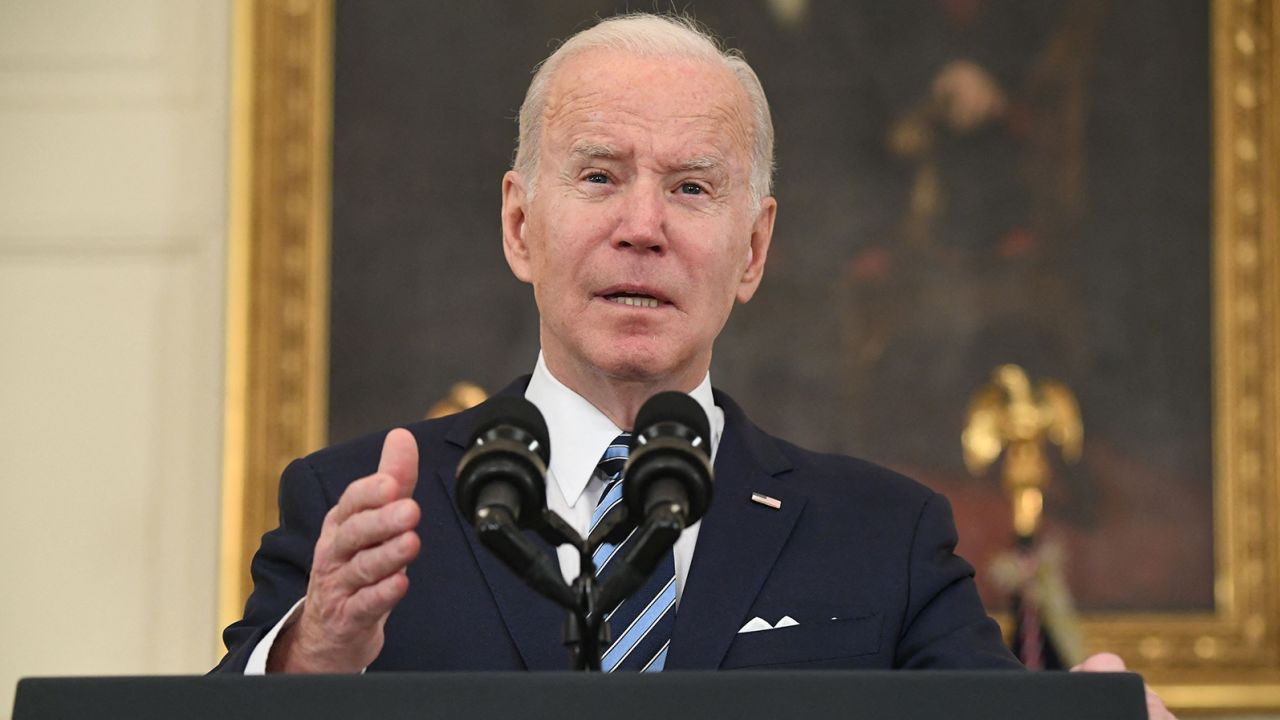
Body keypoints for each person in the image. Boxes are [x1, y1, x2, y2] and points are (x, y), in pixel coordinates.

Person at [213, 12, 1173, 717]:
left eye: (690, 187)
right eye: (598, 176)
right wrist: (313, 657)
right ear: (518, 225)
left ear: (752, 250)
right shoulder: (363, 507)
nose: (642, 228)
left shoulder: (885, 535)